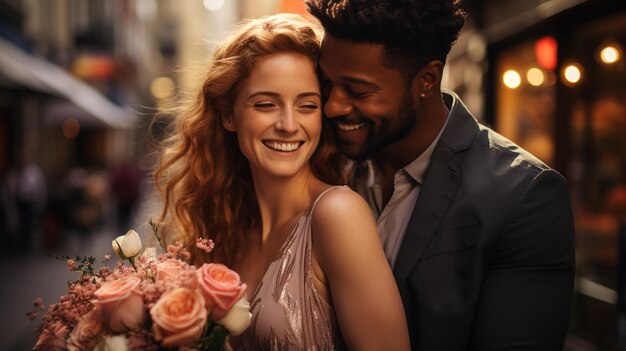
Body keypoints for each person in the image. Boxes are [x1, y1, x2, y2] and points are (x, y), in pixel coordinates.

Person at [305, 0, 576, 349]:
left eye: (358, 91)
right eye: (327, 84)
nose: (332, 106)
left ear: (426, 80)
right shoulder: (322, 162)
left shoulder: (523, 196)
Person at [153, 13, 409, 350]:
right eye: (266, 104)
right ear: (229, 114)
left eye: (306, 105)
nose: (288, 124)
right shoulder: (224, 226)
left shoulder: (337, 214)